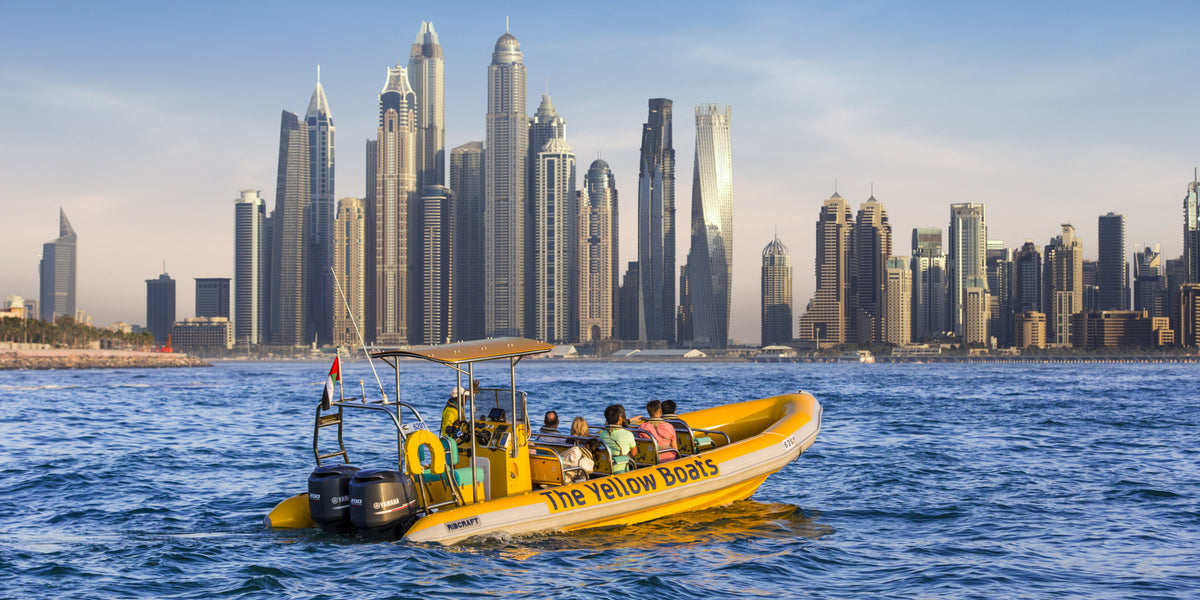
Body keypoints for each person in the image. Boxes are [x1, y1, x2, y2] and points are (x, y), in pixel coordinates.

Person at [597, 404, 636, 473]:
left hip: (607, 469)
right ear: (620, 419)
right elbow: (634, 453)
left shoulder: (602, 434)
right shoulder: (628, 434)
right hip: (622, 470)